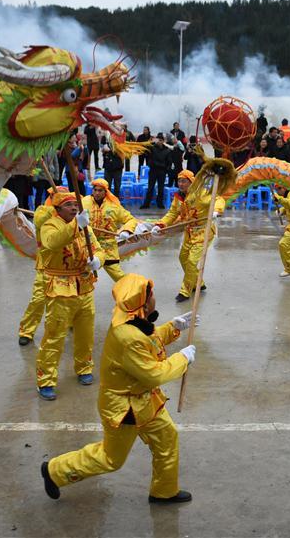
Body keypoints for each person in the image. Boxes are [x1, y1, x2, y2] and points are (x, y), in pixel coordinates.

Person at [42, 273, 197, 503]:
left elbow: (150, 340)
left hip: (144, 400)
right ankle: (55, 471)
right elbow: (154, 374)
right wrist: (182, 359)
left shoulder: (130, 317)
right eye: (150, 294)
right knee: (111, 459)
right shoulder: (127, 336)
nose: (153, 297)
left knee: (166, 437)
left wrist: (173, 327)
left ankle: (164, 491)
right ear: (141, 302)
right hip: (124, 409)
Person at [35, 190, 105, 400]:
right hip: (60, 287)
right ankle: (45, 380)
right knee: (54, 336)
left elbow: (98, 248)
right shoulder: (49, 225)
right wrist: (77, 226)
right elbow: (53, 242)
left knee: (85, 333)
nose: (74, 208)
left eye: (76, 204)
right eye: (68, 205)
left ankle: (84, 368)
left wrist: (98, 261)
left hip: (84, 285)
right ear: (57, 209)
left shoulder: (84, 226)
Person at [153, 170, 226, 302]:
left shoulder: (200, 193)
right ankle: (199, 282)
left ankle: (185, 291)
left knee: (192, 261)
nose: (181, 184)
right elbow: (172, 214)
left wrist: (216, 211)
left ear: (191, 182)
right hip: (189, 231)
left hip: (204, 231)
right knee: (183, 258)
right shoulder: (178, 197)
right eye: (179, 181)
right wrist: (160, 225)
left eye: (184, 181)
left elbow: (218, 198)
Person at [17, 188, 65, 346]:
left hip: (67, 265)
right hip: (46, 265)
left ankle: (70, 322)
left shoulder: (72, 214)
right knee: (38, 299)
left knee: (69, 299)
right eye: (58, 197)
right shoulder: (43, 211)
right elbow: (39, 221)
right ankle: (27, 331)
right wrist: (56, 207)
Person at [84, 178, 150, 282]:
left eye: (100, 190)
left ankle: (135, 292)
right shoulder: (83, 202)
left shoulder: (114, 206)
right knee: (81, 277)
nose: (97, 193)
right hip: (87, 244)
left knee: (119, 277)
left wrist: (125, 231)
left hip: (107, 246)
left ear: (106, 192)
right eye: (95, 190)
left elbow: (130, 219)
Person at [140, 135, 170, 209]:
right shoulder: (152, 148)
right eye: (158, 140)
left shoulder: (167, 150)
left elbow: (169, 162)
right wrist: (151, 141)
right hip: (153, 170)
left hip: (162, 171)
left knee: (161, 188)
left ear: (163, 141)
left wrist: (166, 170)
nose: (159, 142)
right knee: (150, 187)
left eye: (161, 140)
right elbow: (145, 149)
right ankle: (146, 204)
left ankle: (160, 203)